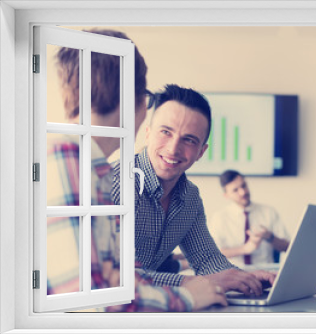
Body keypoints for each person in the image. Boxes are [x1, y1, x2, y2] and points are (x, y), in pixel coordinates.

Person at [46, 28, 226, 312]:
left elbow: (122, 276)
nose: (174, 147)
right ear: (140, 103)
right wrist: (188, 295)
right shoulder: (67, 155)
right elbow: (91, 298)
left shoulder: (95, 171)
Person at [112, 84, 275, 296]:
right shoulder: (115, 184)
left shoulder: (190, 197)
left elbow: (207, 260)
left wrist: (246, 279)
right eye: (165, 132)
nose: (173, 149)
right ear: (148, 134)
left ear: (201, 152)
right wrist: (194, 282)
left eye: (189, 140)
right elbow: (113, 278)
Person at [209, 170, 290, 267]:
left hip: (267, 273)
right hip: (234, 275)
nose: (243, 192)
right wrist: (246, 249)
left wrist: (269, 237)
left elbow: (288, 247)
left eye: (243, 186)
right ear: (226, 195)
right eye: (235, 190)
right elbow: (212, 253)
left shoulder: (269, 212)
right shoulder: (219, 218)